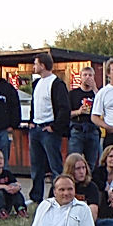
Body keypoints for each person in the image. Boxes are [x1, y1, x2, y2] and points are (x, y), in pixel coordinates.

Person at [24, 52, 70, 205]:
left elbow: (64, 108)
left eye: (36, 63)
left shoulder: (57, 83)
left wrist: (55, 127)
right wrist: (31, 121)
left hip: (48, 130)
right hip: (35, 129)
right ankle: (36, 196)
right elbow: (34, 104)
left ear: (43, 65)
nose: (34, 66)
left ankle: (58, 195)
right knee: (36, 166)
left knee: (55, 165)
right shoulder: (36, 83)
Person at [65, 151, 107, 226]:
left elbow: (93, 212)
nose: (82, 171)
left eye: (83, 168)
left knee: (112, 225)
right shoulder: (62, 185)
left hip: (87, 222)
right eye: (78, 169)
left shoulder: (91, 186)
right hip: (66, 221)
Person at [67, 64, 100, 169]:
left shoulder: (98, 94)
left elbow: (104, 107)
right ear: (80, 77)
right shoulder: (73, 94)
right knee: (73, 161)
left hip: (93, 129)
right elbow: (66, 113)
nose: (87, 77)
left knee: (92, 163)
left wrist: (94, 88)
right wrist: (78, 112)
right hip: (77, 129)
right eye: (85, 75)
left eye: (90, 75)